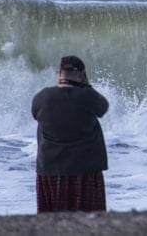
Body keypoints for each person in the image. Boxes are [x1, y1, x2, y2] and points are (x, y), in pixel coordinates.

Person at [31, 55, 109, 213]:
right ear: (82, 75)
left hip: (50, 170)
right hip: (84, 170)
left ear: (59, 73)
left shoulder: (42, 97)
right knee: (88, 223)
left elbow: (35, 114)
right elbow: (103, 107)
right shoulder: (87, 96)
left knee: (51, 223)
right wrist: (86, 86)